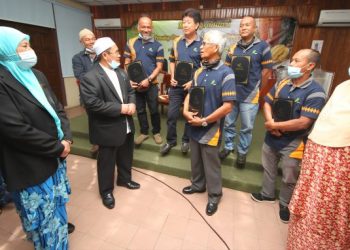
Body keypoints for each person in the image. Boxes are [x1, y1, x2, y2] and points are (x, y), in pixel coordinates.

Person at [0, 26, 73, 249]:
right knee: (41, 219)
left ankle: (58, 232)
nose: (30, 50)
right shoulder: (3, 81)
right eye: (24, 46)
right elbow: (15, 129)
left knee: (56, 207)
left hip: (56, 157)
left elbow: (58, 108)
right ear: (5, 49)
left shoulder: (37, 74)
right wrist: (57, 147)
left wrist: (67, 139)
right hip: (30, 165)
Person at [251, 49, 326, 223]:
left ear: (310, 66)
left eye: (296, 61)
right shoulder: (283, 83)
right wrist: (271, 123)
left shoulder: (316, 92)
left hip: (293, 142)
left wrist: (275, 125)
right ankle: (267, 194)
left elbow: (304, 122)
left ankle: (285, 204)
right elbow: (268, 103)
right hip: (271, 137)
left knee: (289, 176)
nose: (290, 64)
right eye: (291, 60)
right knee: (268, 168)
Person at [287, 74, 350, 249]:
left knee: (333, 217)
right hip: (318, 159)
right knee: (310, 208)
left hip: (341, 168)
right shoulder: (343, 87)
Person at [80, 37, 140, 210]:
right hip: (107, 128)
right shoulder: (90, 77)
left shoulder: (121, 72)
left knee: (126, 155)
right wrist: (122, 108)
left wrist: (132, 103)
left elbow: (130, 91)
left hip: (126, 124)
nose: (120, 55)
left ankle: (124, 179)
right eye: (116, 52)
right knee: (106, 162)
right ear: (105, 55)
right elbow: (93, 104)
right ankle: (106, 191)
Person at [182, 30, 236, 216]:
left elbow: (228, 106)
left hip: (210, 128)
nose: (201, 47)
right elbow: (190, 93)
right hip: (193, 123)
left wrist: (205, 121)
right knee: (195, 158)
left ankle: (214, 195)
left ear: (217, 48)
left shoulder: (226, 73)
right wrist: (185, 110)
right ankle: (197, 185)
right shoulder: (198, 71)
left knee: (211, 164)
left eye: (205, 44)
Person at [221, 16, 273, 168]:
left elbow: (267, 71)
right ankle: (228, 146)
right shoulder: (233, 47)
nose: (243, 28)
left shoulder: (263, 46)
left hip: (250, 94)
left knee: (247, 126)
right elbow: (226, 69)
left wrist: (258, 89)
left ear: (254, 28)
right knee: (229, 123)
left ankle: (242, 151)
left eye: (247, 25)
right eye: (241, 25)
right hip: (232, 93)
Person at [160, 8, 203, 156]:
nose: (185, 25)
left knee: (189, 115)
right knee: (172, 115)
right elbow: (172, 60)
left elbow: (205, 67)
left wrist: (194, 81)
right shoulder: (177, 41)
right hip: (176, 85)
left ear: (197, 25)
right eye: (183, 22)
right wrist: (172, 75)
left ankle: (186, 140)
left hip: (194, 86)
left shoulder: (203, 43)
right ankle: (170, 141)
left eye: (188, 22)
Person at [124, 14, 164, 146]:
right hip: (135, 85)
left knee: (153, 109)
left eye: (148, 27)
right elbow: (126, 63)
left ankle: (156, 132)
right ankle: (144, 132)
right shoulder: (130, 43)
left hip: (151, 84)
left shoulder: (158, 45)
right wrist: (129, 80)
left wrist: (149, 79)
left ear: (151, 28)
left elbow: (159, 66)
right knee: (140, 110)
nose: (146, 30)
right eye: (143, 27)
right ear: (138, 28)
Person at [72, 28, 99, 155]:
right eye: (87, 39)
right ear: (81, 42)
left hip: (104, 93)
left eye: (93, 38)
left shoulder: (102, 54)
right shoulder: (77, 58)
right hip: (88, 94)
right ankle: (95, 143)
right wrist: (99, 80)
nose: (91, 41)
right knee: (93, 119)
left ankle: (106, 140)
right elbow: (80, 76)